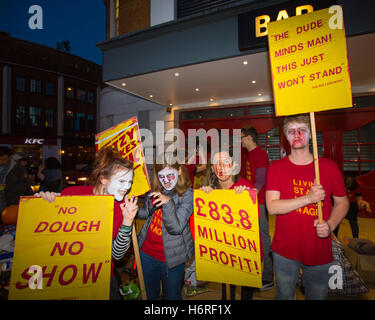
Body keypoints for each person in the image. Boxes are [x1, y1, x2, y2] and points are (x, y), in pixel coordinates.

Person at [35, 147, 139, 300]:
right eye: (122, 181)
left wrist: (127, 222)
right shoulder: (72, 195)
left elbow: (116, 255)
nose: (126, 187)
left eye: (129, 182)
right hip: (66, 277)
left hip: (101, 277)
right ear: (103, 178)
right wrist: (44, 202)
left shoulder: (121, 207)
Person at [266, 114, 349, 300]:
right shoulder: (277, 167)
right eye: (291, 131)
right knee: (284, 296)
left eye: (301, 130)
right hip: (284, 250)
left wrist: (330, 225)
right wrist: (308, 198)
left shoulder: (328, 167)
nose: (296, 135)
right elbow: (272, 206)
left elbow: (342, 202)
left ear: (311, 135)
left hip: (319, 249)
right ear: (285, 137)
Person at [200, 148, 263, 300]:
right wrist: (204, 198)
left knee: (246, 292)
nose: (222, 167)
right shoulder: (210, 190)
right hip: (224, 250)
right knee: (226, 291)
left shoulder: (245, 186)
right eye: (217, 163)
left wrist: (245, 199)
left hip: (246, 250)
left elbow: (256, 217)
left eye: (226, 162)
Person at [137, 153, 194, 300]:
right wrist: (133, 209)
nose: (166, 180)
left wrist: (168, 203)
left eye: (171, 174)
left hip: (171, 258)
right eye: (162, 176)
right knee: (149, 295)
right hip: (146, 253)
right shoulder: (157, 190)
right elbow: (146, 213)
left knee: (172, 296)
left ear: (180, 170)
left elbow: (176, 228)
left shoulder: (187, 194)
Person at [241, 126, 274, 290]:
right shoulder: (251, 154)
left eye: (242, 137)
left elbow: (260, 181)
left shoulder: (259, 154)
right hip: (253, 202)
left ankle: (268, 277)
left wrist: (250, 199)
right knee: (255, 238)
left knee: (264, 238)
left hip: (258, 203)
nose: (240, 140)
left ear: (248, 138)